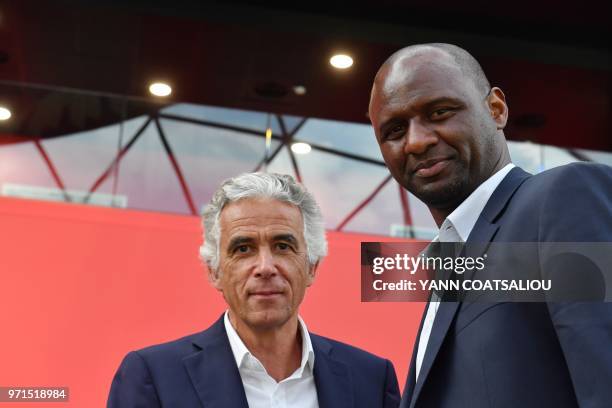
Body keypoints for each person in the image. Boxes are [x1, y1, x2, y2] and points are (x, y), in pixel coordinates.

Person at [368, 43, 612, 408]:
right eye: (394, 130)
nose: (417, 141)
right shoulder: (449, 263)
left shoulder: (561, 199)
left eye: (439, 112)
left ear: (496, 109)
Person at [108, 172, 401, 407]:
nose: (265, 267)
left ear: (312, 266)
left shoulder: (372, 380)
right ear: (214, 271)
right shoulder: (153, 377)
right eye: (243, 248)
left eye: (283, 246)